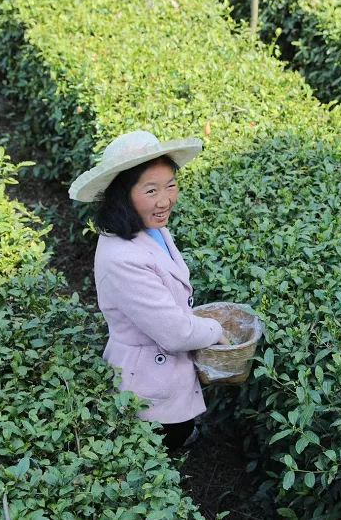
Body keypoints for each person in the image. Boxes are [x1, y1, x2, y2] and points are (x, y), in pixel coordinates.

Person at [69, 130, 230, 450]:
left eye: (170, 185)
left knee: (181, 426)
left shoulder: (147, 226)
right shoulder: (122, 258)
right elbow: (175, 334)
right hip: (148, 377)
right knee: (165, 441)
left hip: (165, 364)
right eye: (151, 189)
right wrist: (215, 329)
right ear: (123, 195)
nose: (165, 199)